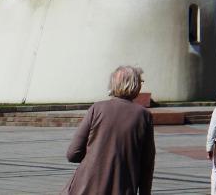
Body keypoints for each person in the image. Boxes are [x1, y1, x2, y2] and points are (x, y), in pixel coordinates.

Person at [62, 64, 155, 195]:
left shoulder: (96, 109)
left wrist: (96, 158)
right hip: (124, 188)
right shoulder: (144, 116)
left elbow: (72, 154)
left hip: (86, 187)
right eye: (140, 82)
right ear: (135, 85)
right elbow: (147, 164)